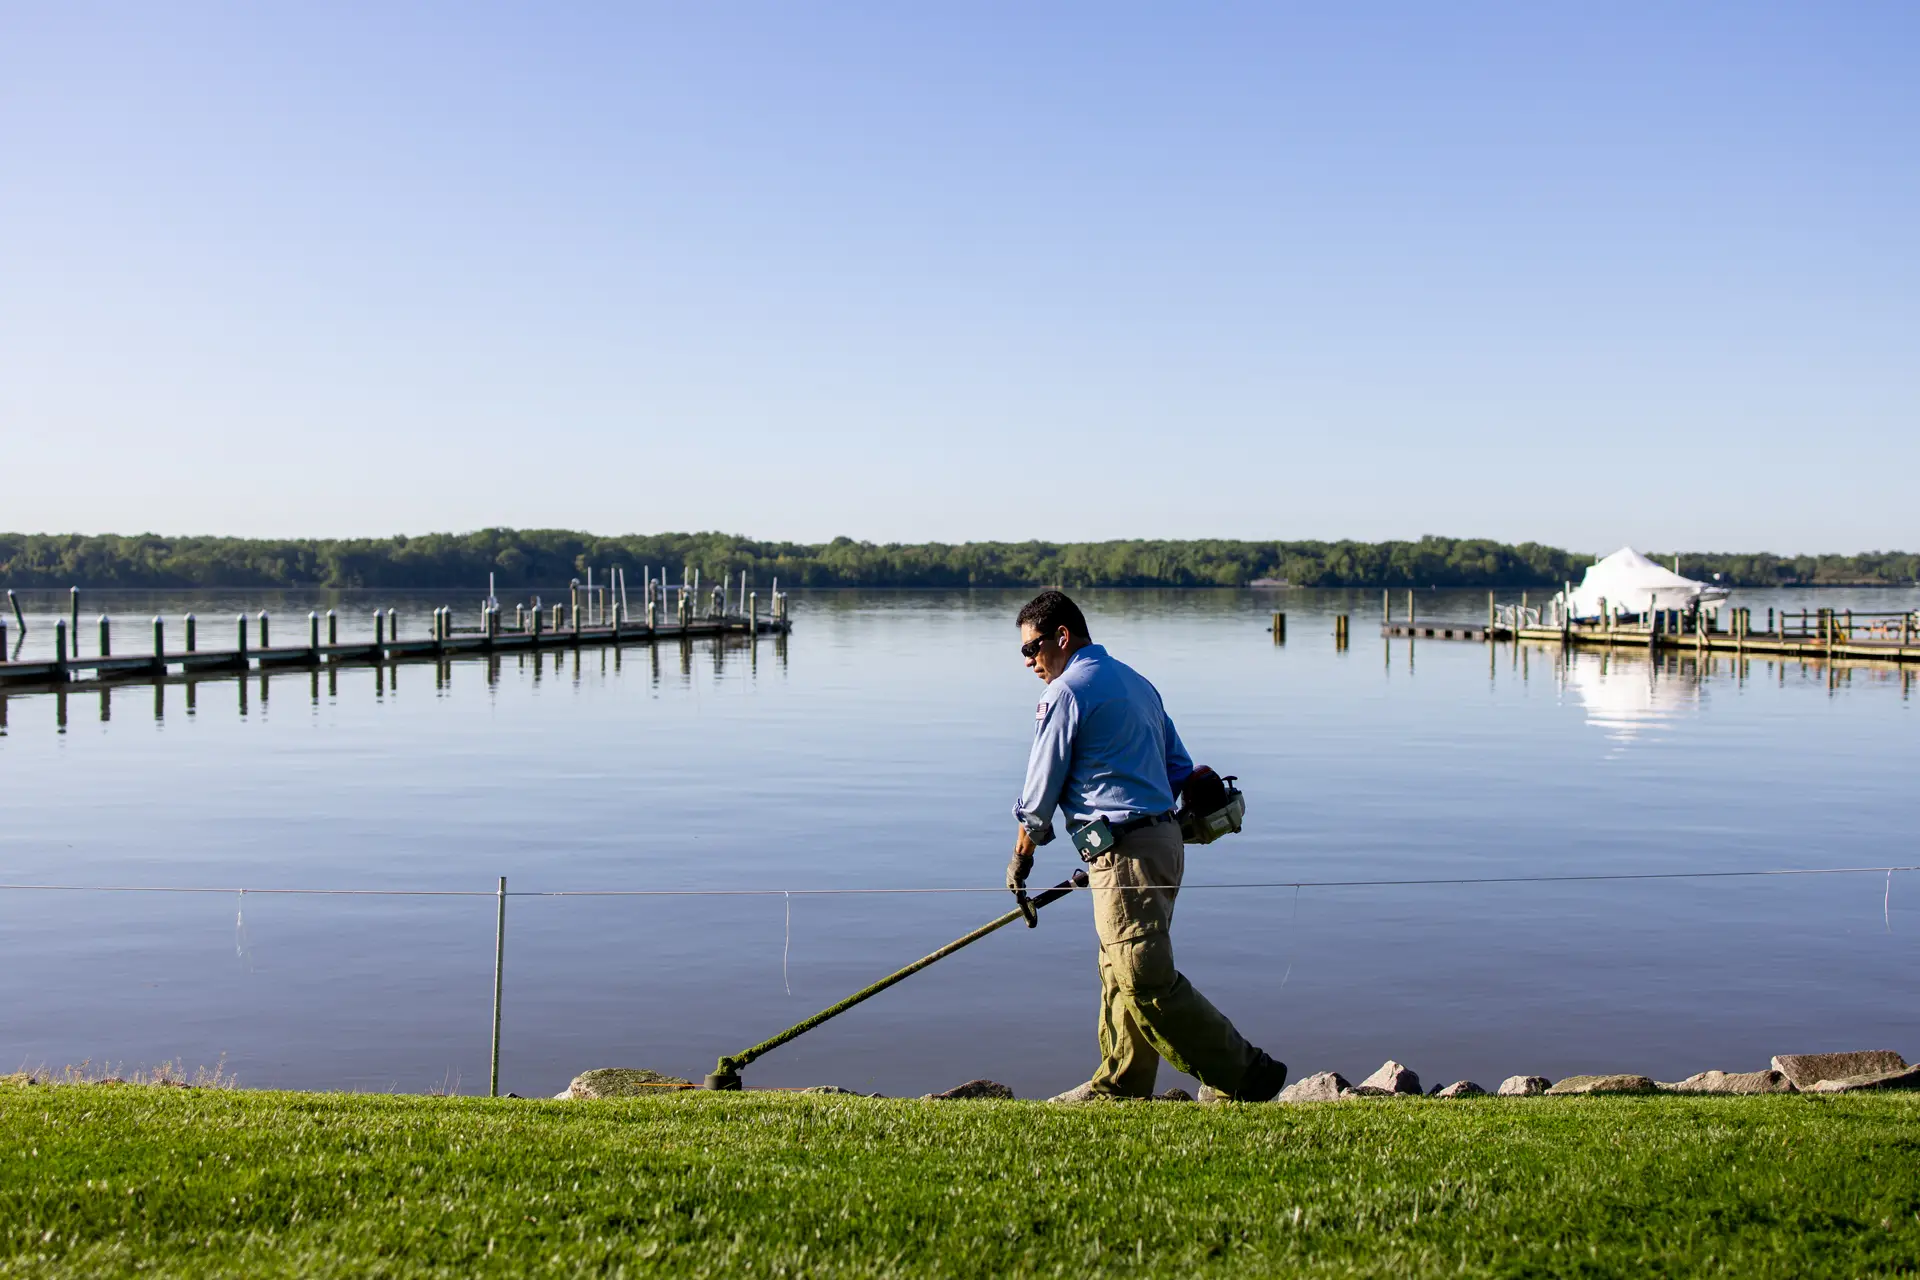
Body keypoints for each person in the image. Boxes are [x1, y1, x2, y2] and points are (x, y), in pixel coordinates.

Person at [1007, 590, 1287, 1102]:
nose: (1028, 662)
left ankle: (1249, 1075)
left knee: (1144, 978)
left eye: (1032, 649)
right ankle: (1122, 1086)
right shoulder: (1138, 683)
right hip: (1162, 844)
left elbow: (1038, 792)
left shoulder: (1064, 694)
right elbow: (1181, 768)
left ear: (1062, 637)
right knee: (1120, 966)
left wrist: (1021, 858)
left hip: (1124, 854)